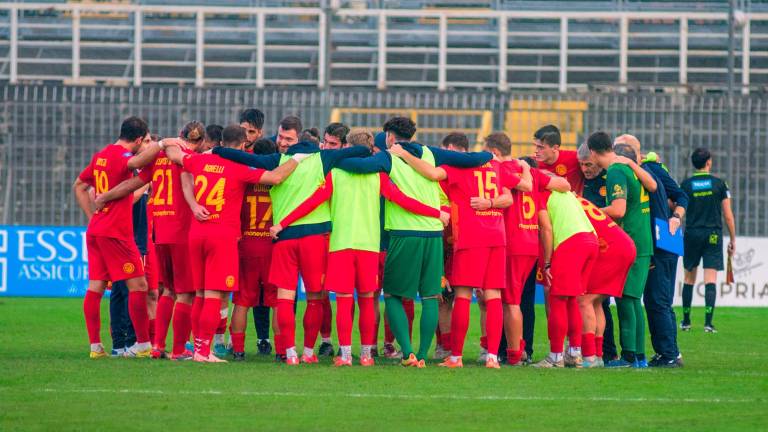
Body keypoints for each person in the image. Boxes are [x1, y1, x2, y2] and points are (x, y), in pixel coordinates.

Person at [272, 128, 448, 366]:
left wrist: (283, 222)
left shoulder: (335, 173)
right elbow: (403, 200)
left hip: (341, 245)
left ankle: (344, 355)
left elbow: (313, 201)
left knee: (344, 300)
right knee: (367, 300)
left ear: (347, 146)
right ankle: (366, 355)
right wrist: (435, 212)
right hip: (369, 245)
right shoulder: (378, 175)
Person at [333, 117, 492, 367]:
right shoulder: (430, 153)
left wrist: (332, 156)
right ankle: (422, 354)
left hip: (405, 233)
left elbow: (359, 166)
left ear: (390, 137)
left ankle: (407, 352)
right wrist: (492, 156)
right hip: (433, 234)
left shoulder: (388, 156)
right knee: (430, 297)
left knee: (394, 295)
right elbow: (472, 160)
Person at [211, 116, 370, 365]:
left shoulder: (278, 160)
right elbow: (362, 149)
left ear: (294, 144)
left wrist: (216, 149)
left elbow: (245, 157)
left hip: (283, 238)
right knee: (315, 298)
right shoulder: (323, 158)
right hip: (315, 237)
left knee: (283, 298)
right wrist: (329, 150)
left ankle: (290, 353)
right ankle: (308, 352)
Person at [162, 125, 305, 362]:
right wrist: (299, 158)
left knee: (199, 294)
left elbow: (172, 152)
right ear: (241, 146)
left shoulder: (199, 162)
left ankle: (198, 347)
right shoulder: (238, 168)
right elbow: (276, 177)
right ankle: (204, 352)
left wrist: (167, 142)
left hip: (197, 234)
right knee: (213, 295)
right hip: (222, 236)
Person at [390, 134, 518, 369]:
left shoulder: (459, 168)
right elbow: (512, 194)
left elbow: (430, 173)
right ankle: (492, 357)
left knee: (463, 295)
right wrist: (491, 203)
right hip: (497, 236)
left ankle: (456, 357)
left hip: (472, 237)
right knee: (493, 297)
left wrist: (404, 154)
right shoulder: (495, 166)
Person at [95, 121, 207, 360]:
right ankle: (178, 350)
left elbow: (133, 183)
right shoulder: (188, 159)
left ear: (180, 134)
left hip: (160, 233)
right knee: (186, 294)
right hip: (182, 232)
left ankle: (157, 345)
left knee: (167, 291)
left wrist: (105, 196)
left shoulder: (158, 159)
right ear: (201, 143)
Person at [72, 116, 160, 358]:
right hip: (116, 233)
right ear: (139, 139)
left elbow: (79, 185)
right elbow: (138, 168)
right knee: (139, 285)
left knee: (96, 287)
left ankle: (95, 347)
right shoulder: (122, 159)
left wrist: (92, 217)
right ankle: (142, 343)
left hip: (98, 230)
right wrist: (161, 147)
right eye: (147, 141)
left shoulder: (100, 155)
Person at [486, 134, 569, 366]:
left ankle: (514, 354)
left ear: (493, 151)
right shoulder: (532, 172)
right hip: (531, 244)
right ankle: (522, 349)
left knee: (509, 301)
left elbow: (519, 190)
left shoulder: (500, 170)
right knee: (522, 300)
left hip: (512, 244)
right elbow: (565, 185)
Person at [615, 135, 689, 367]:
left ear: (636, 153)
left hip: (664, 240)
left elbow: (681, 195)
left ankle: (670, 354)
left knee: (658, 299)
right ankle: (667, 352)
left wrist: (676, 216)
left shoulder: (652, 168)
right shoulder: (632, 172)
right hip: (652, 242)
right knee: (654, 299)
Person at [588, 131, 655, 368]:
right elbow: (653, 185)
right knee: (634, 300)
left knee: (627, 299)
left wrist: (589, 210)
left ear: (593, 153)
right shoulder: (626, 167)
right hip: (643, 240)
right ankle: (638, 357)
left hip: (632, 241)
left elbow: (618, 210)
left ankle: (628, 356)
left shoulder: (616, 171)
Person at [533, 190, 599, 368]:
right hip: (591, 241)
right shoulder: (564, 192)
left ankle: (556, 357)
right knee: (571, 299)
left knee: (557, 299)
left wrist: (547, 263)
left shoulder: (540, 193)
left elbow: (546, 229)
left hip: (571, 243)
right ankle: (574, 353)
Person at [230, 138, 282, 361]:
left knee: (242, 300)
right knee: (278, 300)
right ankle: (282, 351)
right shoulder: (281, 181)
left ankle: (239, 350)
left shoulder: (244, 180)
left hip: (247, 243)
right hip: (272, 245)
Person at [576, 195, 636, 368]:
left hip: (612, 249)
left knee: (584, 300)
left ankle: (589, 356)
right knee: (596, 302)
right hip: (622, 244)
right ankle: (598, 356)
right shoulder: (577, 199)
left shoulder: (560, 202)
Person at [680, 148, 735, 334]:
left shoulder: (686, 185)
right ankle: (708, 323)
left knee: (689, 278)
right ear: (709, 162)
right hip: (713, 234)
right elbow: (727, 215)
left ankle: (686, 321)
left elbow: (679, 210)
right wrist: (733, 238)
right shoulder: (719, 184)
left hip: (692, 234)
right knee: (710, 278)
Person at [576, 143, 619, 363]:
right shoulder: (582, 181)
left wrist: (588, 213)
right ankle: (600, 353)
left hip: (606, 246)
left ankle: (602, 353)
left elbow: (618, 210)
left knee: (598, 302)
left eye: (589, 164)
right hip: (588, 246)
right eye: (582, 165)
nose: (585, 169)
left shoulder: (610, 179)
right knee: (595, 302)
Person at [533, 124, 584, 194]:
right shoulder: (532, 163)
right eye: (535, 146)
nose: (536, 150)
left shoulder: (575, 158)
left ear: (555, 148)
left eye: (541, 147)